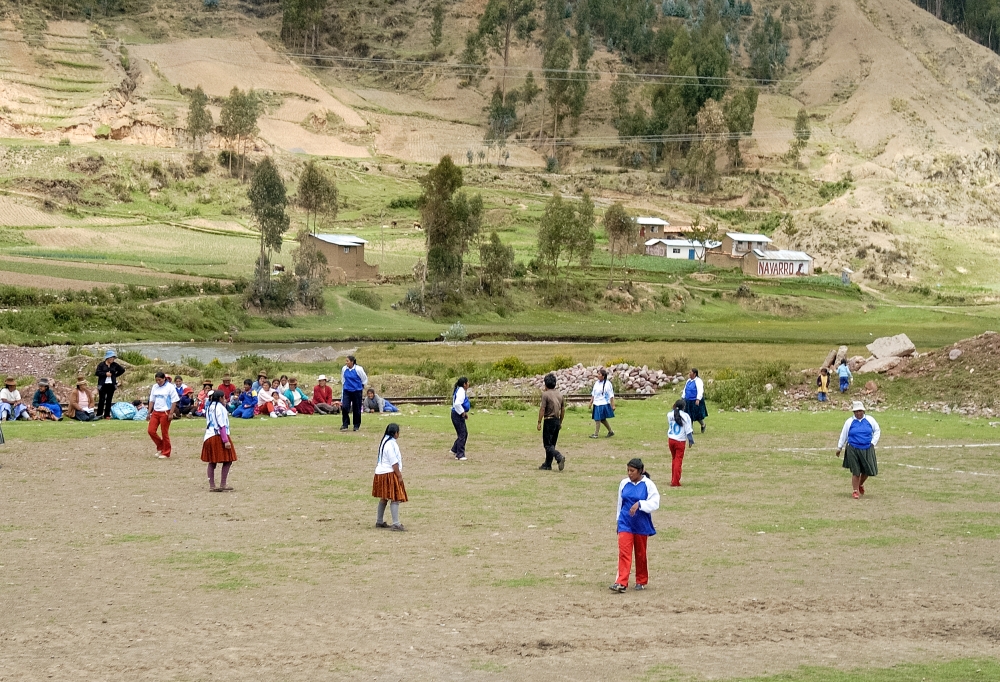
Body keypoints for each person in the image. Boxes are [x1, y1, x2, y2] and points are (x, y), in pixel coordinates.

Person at [610, 458, 660, 593]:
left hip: (641, 524)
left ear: (640, 471)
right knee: (624, 553)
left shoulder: (648, 485)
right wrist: (618, 522)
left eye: (632, 471)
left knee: (640, 553)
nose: (629, 474)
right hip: (625, 523)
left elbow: (655, 503)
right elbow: (620, 504)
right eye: (628, 470)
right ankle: (621, 582)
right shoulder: (624, 483)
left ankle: (641, 579)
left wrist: (641, 504)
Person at [836, 401, 881, 500]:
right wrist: (839, 447)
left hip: (867, 448)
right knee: (856, 471)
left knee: (867, 470)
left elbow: (877, 430)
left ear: (863, 411)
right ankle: (855, 491)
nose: (858, 413)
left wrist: (873, 442)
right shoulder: (849, 422)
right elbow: (844, 435)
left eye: (859, 411)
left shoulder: (870, 420)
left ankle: (860, 484)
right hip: (853, 448)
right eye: (855, 411)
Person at [372, 423, 407, 531]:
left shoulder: (384, 441)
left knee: (384, 498)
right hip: (389, 473)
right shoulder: (391, 444)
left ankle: (379, 521)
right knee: (395, 498)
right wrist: (399, 476)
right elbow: (394, 462)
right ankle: (396, 524)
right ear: (395, 433)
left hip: (380, 472)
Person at [202, 390, 237, 492]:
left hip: (209, 435)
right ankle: (223, 483)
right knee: (228, 459)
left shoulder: (209, 407)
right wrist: (225, 440)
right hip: (218, 435)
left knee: (212, 461)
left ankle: (212, 485)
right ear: (221, 398)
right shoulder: (220, 408)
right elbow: (221, 425)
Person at [537, 373, 566, 471]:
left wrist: (539, 421)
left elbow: (542, 409)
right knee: (552, 444)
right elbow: (563, 410)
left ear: (545, 384)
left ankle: (558, 457)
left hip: (549, 420)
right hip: (557, 420)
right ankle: (547, 464)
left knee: (547, 445)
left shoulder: (545, 394)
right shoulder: (560, 394)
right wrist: (560, 422)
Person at [148, 372, 180, 458]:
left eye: (160, 380)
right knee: (151, 431)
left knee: (164, 432)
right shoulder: (155, 387)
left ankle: (166, 452)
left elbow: (174, 401)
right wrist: (149, 412)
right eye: (156, 380)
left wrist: (171, 413)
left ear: (164, 379)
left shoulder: (170, 387)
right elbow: (152, 400)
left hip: (165, 412)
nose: (158, 382)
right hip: (156, 412)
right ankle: (161, 447)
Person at [666, 399, 695, 487]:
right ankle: (675, 481)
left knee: (674, 459)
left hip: (671, 439)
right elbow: (688, 430)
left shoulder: (669, 414)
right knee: (678, 460)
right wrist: (691, 441)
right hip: (680, 441)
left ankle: (673, 478)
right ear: (684, 407)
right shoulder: (685, 416)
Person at [94, 350, 125, 420]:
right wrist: (105, 374)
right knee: (101, 399)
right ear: (107, 358)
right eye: (111, 358)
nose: (112, 359)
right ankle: (99, 414)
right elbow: (97, 373)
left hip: (111, 385)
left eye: (113, 358)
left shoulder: (115, 365)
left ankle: (107, 415)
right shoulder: (101, 365)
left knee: (109, 400)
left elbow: (122, 370)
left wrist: (114, 376)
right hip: (102, 384)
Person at [340, 355, 368, 431]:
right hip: (347, 390)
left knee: (356, 408)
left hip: (356, 391)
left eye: (347, 361)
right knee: (345, 407)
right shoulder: (344, 369)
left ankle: (356, 425)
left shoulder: (358, 369)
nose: (346, 363)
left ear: (352, 362)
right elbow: (343, 379)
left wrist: (360, 387)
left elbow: (364, 379)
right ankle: (345, 424)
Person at [589, 368, 615, 439]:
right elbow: (593, 394)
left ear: (603, 376)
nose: (598, 375)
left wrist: (613, 405)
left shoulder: (607, 384)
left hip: (603, 403)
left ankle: (596, 434)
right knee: (602, 419)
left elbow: (611, 395)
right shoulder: (596, 383)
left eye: (599, 374)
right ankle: (610, 431)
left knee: (597, 419)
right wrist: (591, 402)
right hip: (596, 403)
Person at [450, 377, 470, 461]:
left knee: (463, 433)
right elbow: (458, 403)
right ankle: (460, 454)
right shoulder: (461, 391)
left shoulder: (459, 390)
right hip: (457, 414)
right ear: (464, 384)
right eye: (468, 382)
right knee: (462, 434)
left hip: (456, 414)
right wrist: (462, 413)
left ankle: (454, 449)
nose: (469, 384)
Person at [682, 368, 708, 433]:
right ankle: (690, 430)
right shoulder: (688, 381)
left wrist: (698, 399)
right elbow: (685, 389)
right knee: (688, 415)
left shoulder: (698, 381)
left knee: (697, 415)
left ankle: (703, 424)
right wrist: (683, 398)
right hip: (688, 400)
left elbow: (700, 390)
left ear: (694, 374)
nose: (689, 374)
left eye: (690, 372)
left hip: (695, 400)